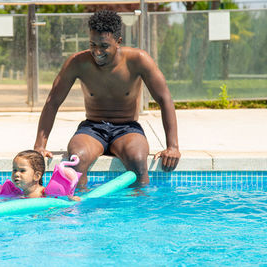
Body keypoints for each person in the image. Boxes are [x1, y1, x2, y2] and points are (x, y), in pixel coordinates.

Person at [34, 10, 181, 188]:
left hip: (127, 129)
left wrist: (172, 147)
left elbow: (164, 99)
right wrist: (40, 146)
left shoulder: (138, 60)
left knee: (138, 161)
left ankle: (139, 212)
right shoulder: (78, 62)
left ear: (118, 42)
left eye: (104, 46)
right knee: (77, 160)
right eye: (92, 44)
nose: (97, 51)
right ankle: (81, 211)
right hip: (93, 128)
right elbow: (53, 102)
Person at [0, 150, 81, 200]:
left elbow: (64, 201)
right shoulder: (19, 194)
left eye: (22, 170)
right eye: (14, 170)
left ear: (36, 176)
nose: (16, 174)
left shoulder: (45, 193)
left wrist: (72, 199)